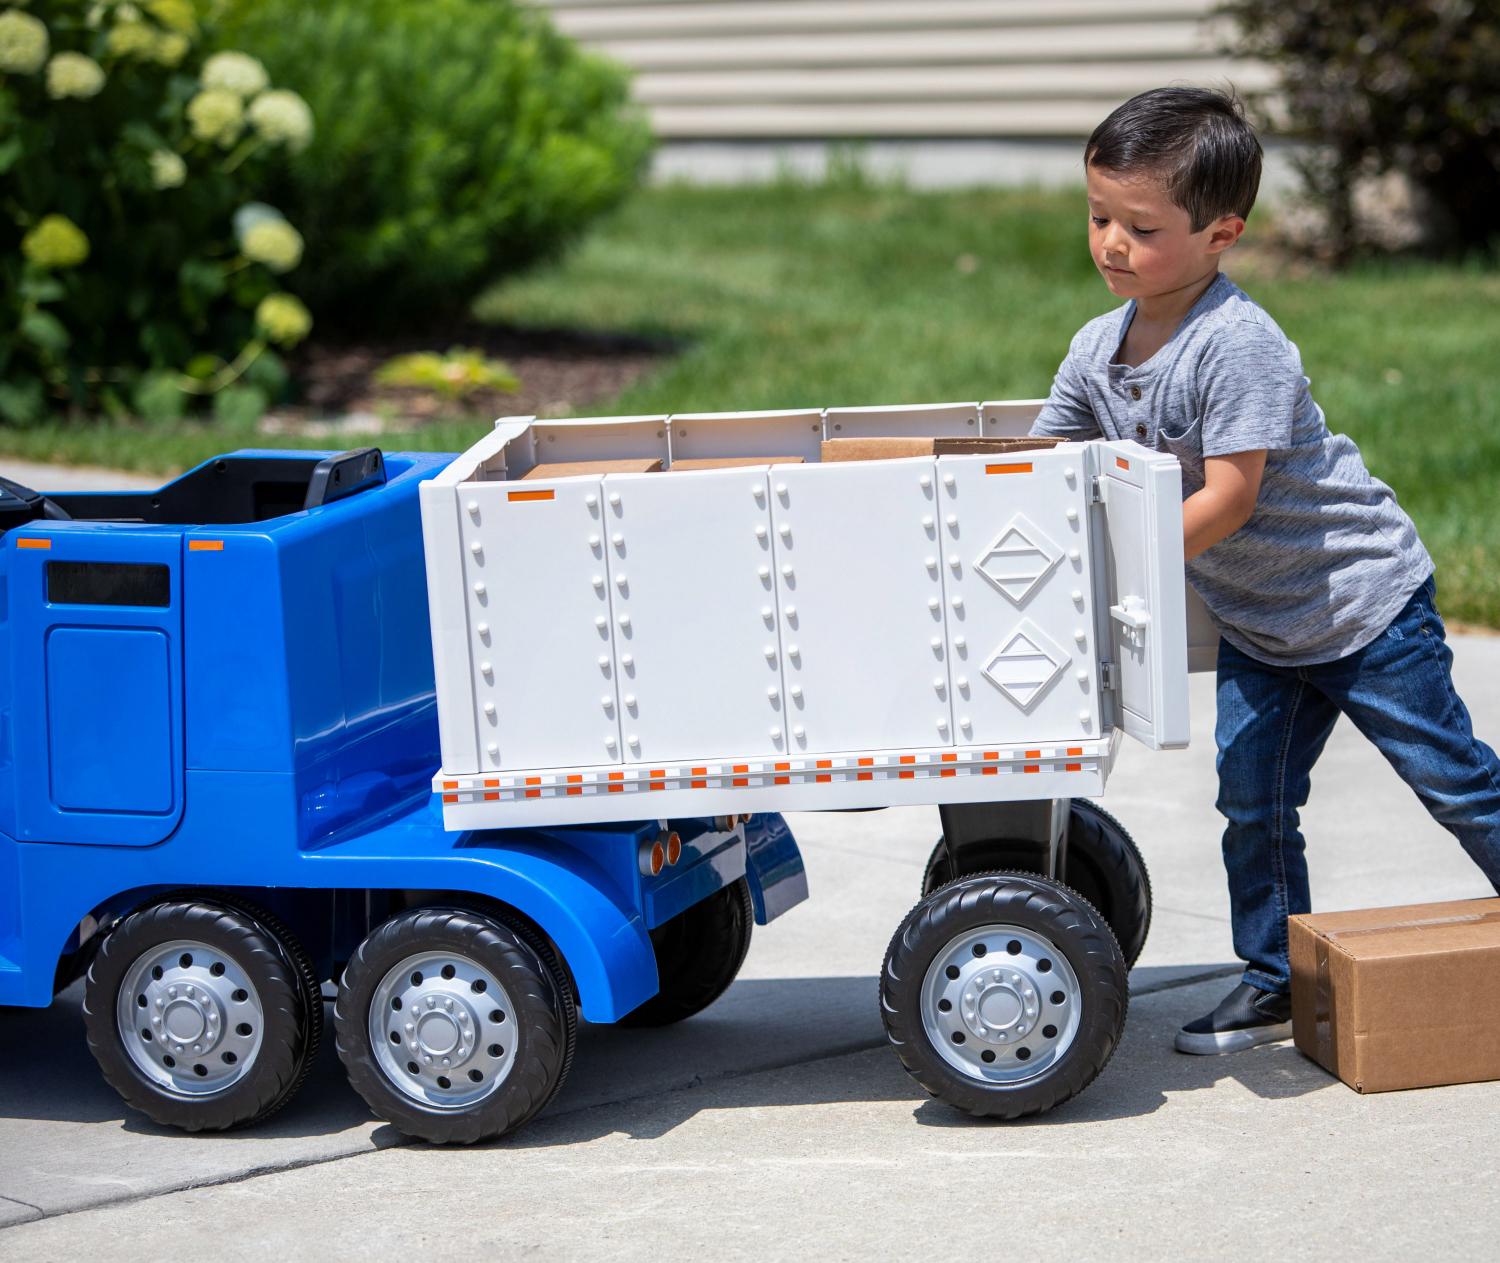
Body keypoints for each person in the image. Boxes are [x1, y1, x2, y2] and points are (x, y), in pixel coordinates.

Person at [1028, 86, 1500, 1054]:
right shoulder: (1095, 348)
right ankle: (1275, 977)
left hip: (1360, 605)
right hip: (1261, 626)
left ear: (1222, 233)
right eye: (1098, 216)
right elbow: (1044, 468)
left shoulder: (1240, 345)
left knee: (1452, 780)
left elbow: (1232, 497)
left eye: (1141, 227)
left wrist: (1116, 565)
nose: (1113, 243)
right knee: (1254, 803)